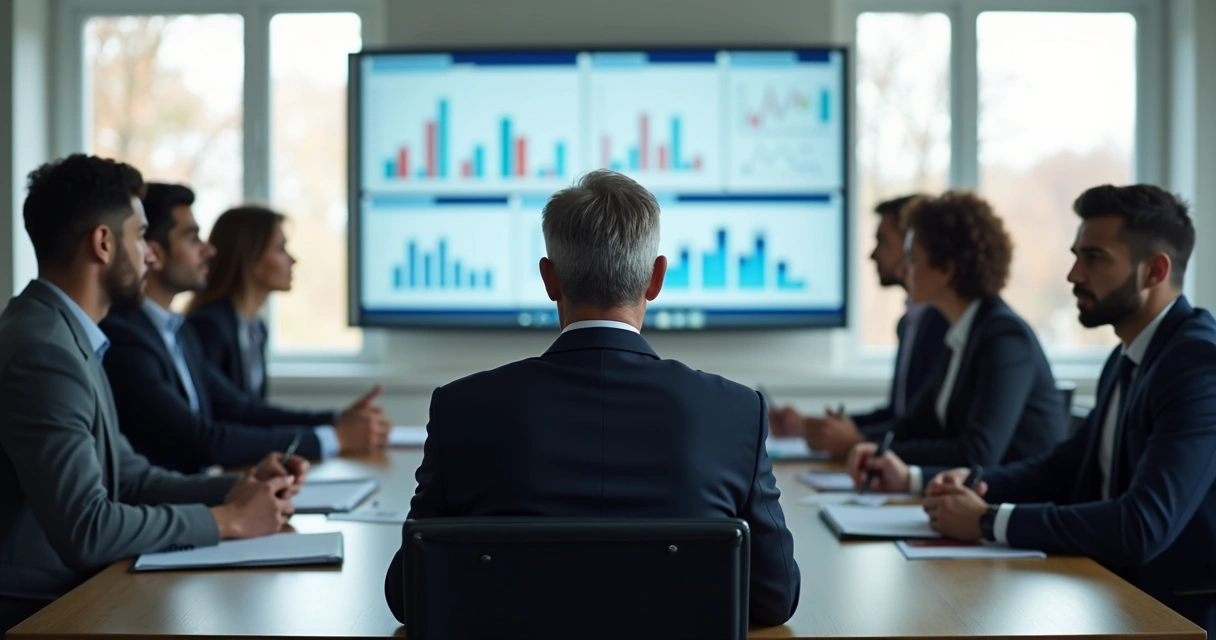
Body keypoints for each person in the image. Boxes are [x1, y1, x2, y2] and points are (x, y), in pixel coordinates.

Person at [382, 170, 800, 627]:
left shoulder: (460, 409)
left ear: (549, 279)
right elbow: (775, 598)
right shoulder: (737, 412)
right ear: (656, 279)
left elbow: (408, 595)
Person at [853, 184, 1216, 633]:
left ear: (1155, 271)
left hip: (1172, 616)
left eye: (1094, 258)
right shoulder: (1127, 356)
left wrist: (989, 521)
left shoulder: (1198, 366)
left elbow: (1141, 525)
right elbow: (1063, 467)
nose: (1073, 274)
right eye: (1076, 255)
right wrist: (974, 483)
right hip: (1103, 588)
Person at [0, 155, 305, 633]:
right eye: (141, 236)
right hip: (38, 609)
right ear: (103, 244)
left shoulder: (69, 336)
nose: (151, 255)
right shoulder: (45, 352)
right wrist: (229, 519)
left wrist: (240, 490)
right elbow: (88, 530)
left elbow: (131, 477)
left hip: (73, 593)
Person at [100, 183, 391, 473]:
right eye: (192, 239)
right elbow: (203, 439)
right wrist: (332, 436)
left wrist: (335, 421)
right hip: (175, 504)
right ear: (154, 254)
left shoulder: (180, 332)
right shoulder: (126, 338)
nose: (208, 250)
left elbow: (240, 408)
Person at [837, 191, 1065, 467]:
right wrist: (863, 442)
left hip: (1012, 503)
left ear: (946, 269)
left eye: (912, 259)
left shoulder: (1004, 336)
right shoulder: (961, 333)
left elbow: (977, 454)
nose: (903, 272)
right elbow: (914, 424)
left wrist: (870, 448)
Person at [770, 195, 948, 445]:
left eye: (883, 243)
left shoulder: (945, 325)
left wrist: (856, 441)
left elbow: (922, 427)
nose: (873, 255)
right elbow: (898, 415)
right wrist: (806, 426)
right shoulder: (909, 322)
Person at [184, 205, 293, 399]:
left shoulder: (256, 328)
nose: (293, 260)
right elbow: (224, 413)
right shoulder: (209, 326)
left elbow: (255, 411)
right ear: (250, 256)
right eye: (280, 248)